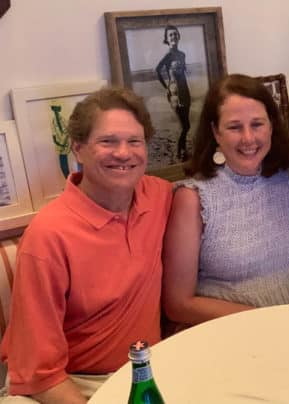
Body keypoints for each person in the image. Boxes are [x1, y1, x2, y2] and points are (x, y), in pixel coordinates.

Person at [0, 87, 173, 403]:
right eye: (107, 141)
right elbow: (38, 374)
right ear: (78, 149)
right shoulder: (48, 235)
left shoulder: (159, 196)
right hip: (66, 383)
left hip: (141, 371)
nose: (123, 153)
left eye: (134, 141)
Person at [162, 74, 289, 328]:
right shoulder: (193, 198)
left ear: (271, 125)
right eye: (235, 127)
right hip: (228, 338)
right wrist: (261, 319)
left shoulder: (288, 180)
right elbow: (177, 304)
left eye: (257, 124)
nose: (248, 138)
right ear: (216, 132)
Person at [156, 24, 191, 161]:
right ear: (166, 38)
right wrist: (166, 86)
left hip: (185, 91)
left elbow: (184, 71)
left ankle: (182, 149)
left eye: (175, 34)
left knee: (187, 125)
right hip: (175, 94)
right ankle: (179, 152)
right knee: (183, 125)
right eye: (170, 35)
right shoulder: (168, 55)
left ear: (179, 36)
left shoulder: (183, 54)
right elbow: (157, 70)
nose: (173, 36)